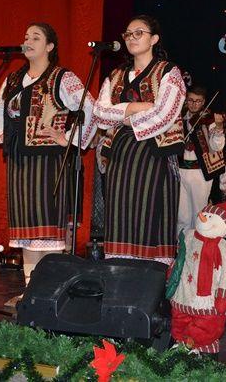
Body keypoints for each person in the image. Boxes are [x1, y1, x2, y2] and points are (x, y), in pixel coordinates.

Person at [0, 22, 96, 289]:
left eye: (35, 37)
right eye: (26, 37)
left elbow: (90, 108)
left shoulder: (62, 77)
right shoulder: (14, 78)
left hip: (48, 162)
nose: (28, 41)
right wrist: (2, 134)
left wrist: (69, 139)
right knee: (27, 230)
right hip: (18, 160)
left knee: (46, 229)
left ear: (50, 46)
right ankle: (30, 290)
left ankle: (49, 291)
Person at [93, 15, 186, 264]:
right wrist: (133, 108)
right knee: (119, 213)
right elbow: (100, 114)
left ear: (154, 39)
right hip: (120, 154)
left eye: (139, 33)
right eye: (128, 34)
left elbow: (165, 114)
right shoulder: (115, 75)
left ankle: (149, 278)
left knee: (149, 214)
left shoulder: (168, 72)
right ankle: (120, 273)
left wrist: (122, 117)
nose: (131, 38)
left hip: (155, 153)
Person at [177, 85, 225, 234]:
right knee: (182, 216)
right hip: (180, 170)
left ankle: (197, 245)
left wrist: (219, 128)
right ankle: (182, 245)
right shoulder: (179, 117)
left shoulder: (208, 119)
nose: (194, 104)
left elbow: (217, 146)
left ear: (204, 102)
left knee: (199, 213)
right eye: (191, 100)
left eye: (198, 101)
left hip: (200, 172)